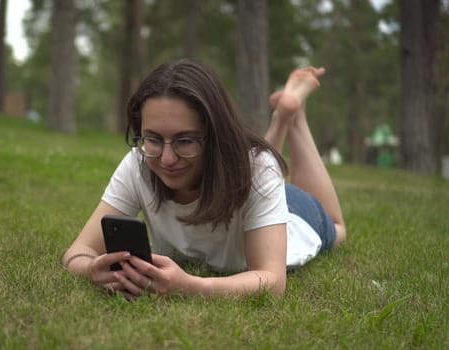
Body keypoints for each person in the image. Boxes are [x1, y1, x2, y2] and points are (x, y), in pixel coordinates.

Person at [63, 58, 346, 299]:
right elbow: (78, 251)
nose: (166, 158)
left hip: (295, 213)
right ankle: (284, 114)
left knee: (336, 227)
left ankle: (294, 117)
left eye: (184, 140)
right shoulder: (139, 163)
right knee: (259, 167)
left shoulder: (258, 169)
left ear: (216, 135)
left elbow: (272, 281)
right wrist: (92, 269)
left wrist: (191, 286)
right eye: (153, 139)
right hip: (255, 188)